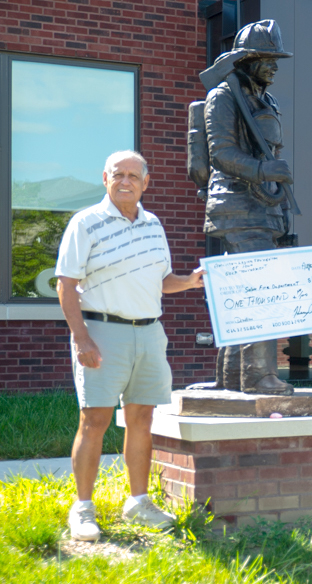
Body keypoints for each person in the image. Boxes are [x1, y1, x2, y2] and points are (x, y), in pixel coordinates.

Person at [56, 151, 205, 541]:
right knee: (95, 422)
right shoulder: (85, 223)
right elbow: (66, 285)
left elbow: (163, 281)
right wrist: (81, 337)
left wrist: (189, 281)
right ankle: (83, 509)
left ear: (146, 182)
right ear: (105, 177)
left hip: (150, 332)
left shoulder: (153, 224)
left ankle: (138, 503)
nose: (126, 181)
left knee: (142, 420)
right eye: (118, 174)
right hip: (102, 332)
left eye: (133, 176)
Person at [202, 19, 294, 395]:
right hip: (236, 206)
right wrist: (261, 170)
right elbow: (220, 153)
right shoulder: (223, 96)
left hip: (265, 209)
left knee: (241, 294)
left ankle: (230, 380)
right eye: (267, 59)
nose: (274, 66)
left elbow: (271, 153)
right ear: (247, 59)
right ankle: (257, 377)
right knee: (260, 289)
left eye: (276, 59)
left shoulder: (265, 99)